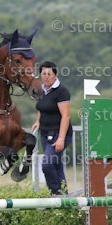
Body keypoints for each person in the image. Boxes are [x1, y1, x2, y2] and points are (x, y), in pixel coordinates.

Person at [30, 61, 72, 195]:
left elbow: (66, 116)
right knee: (56, 165)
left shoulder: (62, 91)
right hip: (44, 133)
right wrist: (38, 121)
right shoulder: (41, 89)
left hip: (59, 134)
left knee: (47, 164)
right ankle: (64, 197)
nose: (46, 77)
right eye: (44, 74)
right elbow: (41, 107)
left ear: (55, 75)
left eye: (49, 74)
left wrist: (61, 138)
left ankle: (55, 194)